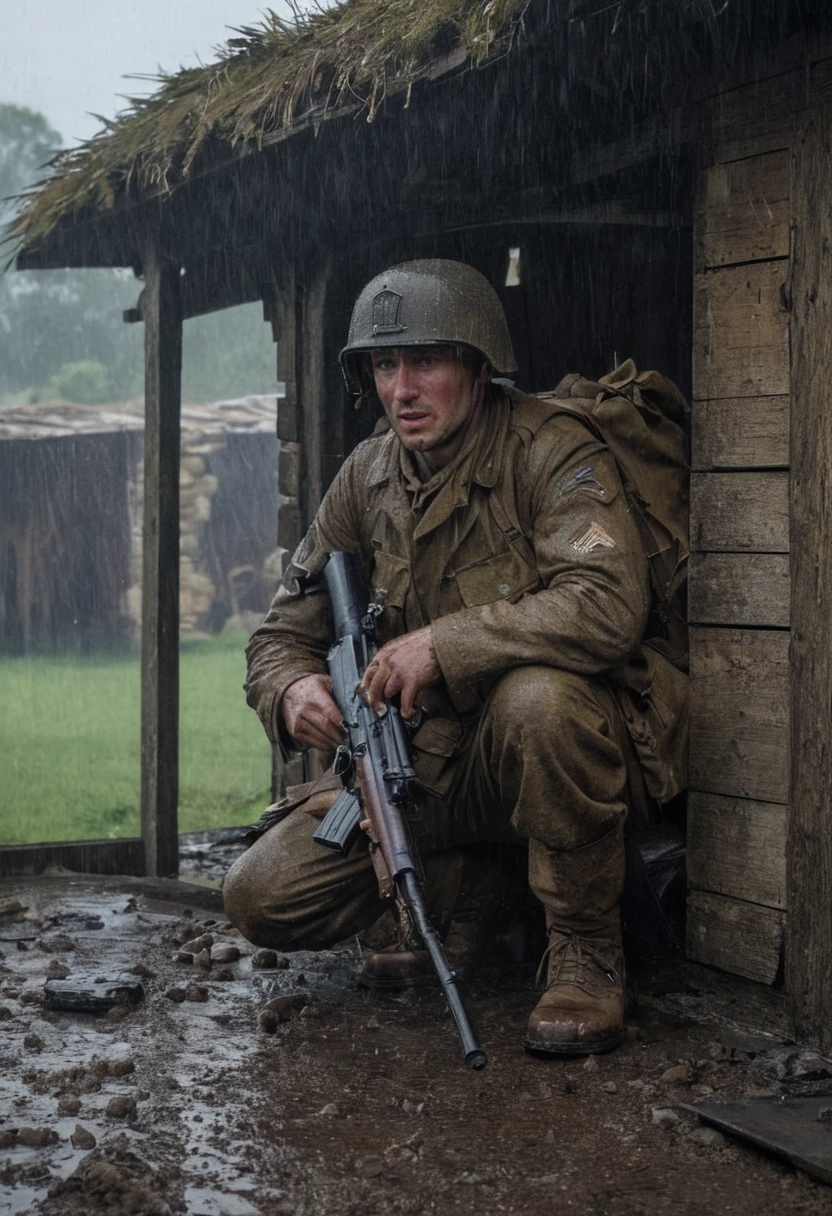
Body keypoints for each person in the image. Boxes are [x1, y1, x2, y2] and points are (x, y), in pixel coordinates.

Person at [223, 259, 688, 1055]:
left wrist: (444, 644)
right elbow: (278, 634)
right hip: (431, 761)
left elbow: (609, 606)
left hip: (566, 745)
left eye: (426, 362)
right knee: (261, 895)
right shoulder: (367, 477)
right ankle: (476, 885)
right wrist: (292, 688)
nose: (401, 389)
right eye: (384, 364)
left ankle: (584, 950)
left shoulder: (551, 451)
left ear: (478, 364)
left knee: (536, 702)